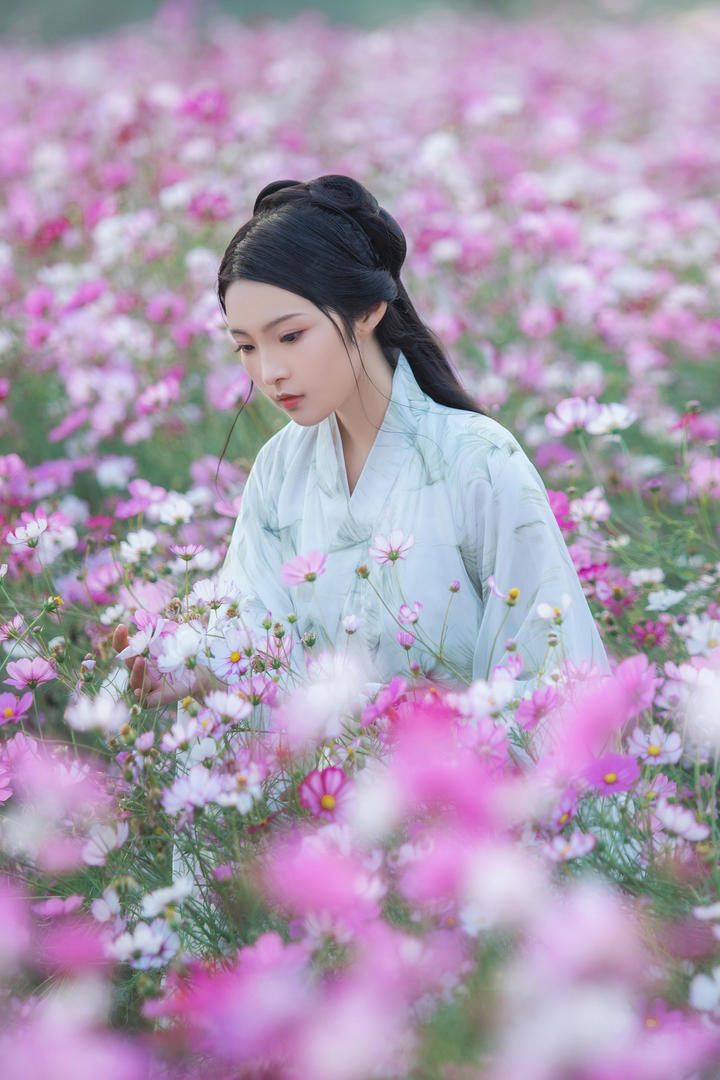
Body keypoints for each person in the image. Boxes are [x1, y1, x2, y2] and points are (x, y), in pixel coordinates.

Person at [114, 174, 608, 705]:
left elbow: (556, 687)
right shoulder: (280, 468)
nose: (270, 370)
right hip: (325, 784)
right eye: (245, 347)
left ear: (368, 311)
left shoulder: (478, 458)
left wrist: (397, 715)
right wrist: (193, 664)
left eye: (289, 336)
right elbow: (255, 634)